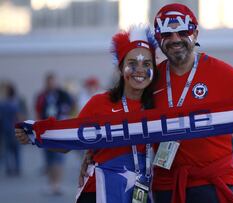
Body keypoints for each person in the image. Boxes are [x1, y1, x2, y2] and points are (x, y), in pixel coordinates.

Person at [151, 4, 233, 203]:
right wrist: (96, 151)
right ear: (159, 38)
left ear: (196, 33)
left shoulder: (221, 72)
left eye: (182, 32)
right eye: (167, 33)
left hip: (213, 182)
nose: (175, 39)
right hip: (168, 183)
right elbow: (123, 117)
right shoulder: (152, 80)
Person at [15, 25, 158, 203]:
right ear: (121, 69)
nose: (140, 70)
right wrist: (34, 137)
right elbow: (69, 142)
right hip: (99, 192)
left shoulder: (159, 105)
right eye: (132, 63)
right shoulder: (99, 103)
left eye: (146, 64)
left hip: (142, 192)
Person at [0, 81, 27, 176]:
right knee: (17, 151)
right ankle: (18, 168)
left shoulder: (3, 104)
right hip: (16, 128)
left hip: (7, 129)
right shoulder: (18, 102)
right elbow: (22, 115)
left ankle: (9, 168)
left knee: (7, 150)